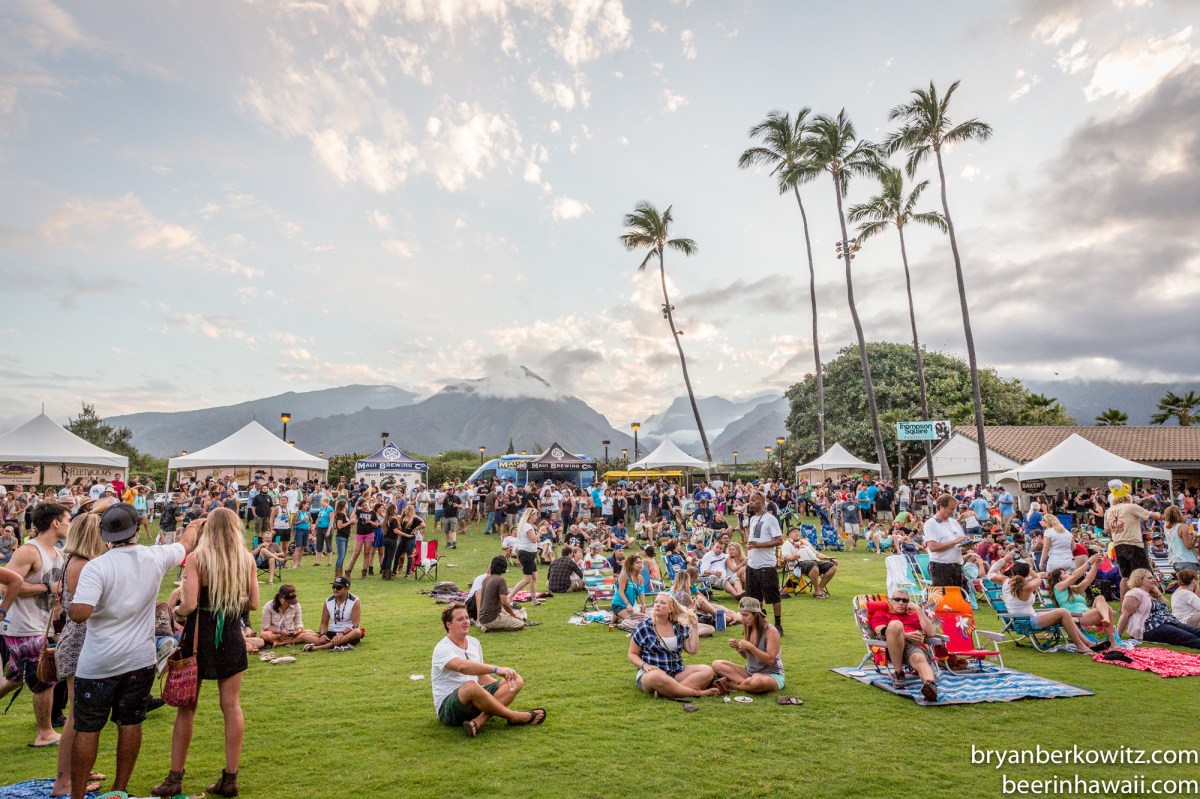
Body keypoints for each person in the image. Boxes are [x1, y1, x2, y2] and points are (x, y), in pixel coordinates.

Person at [67, 504, 200, 799]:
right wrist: (197, 522)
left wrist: (68, 601)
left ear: (105, 535)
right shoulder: (154, 555)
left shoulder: (97, 566)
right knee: (130, 723)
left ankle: (77, 796)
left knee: (88, 728)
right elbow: (187, 543)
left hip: (99, 661)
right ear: (137, 530)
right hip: (139, 659)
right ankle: (120, 789)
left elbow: (79, 613)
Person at [152, 507, 259, 798]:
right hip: (231, 636)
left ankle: (175, 778)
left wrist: (174, 610)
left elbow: (188, 606)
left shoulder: (198, 558)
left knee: (187, 707)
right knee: (232, 706)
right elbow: (253, 604)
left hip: (199, 636)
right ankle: (230, 778)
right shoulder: (246, 559)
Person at [49, 511, 109, 798]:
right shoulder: (83, 566)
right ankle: (64, 781)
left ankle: (77, 770)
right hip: (79, 642)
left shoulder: (73, 560)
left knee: (82, 713)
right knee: (77, 715)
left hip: (76, 639)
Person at [0, 501, 69, 748]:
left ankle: (45, 731)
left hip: (42, 624)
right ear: (56, 523)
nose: (69, 524)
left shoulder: (59, 553)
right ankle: (45, 733)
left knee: (15, 679)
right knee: (45, 678)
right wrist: (48, 587)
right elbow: (6, 586)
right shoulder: (29, 551)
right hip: (23, 625)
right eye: (68, 519)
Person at [431, 602, 545, 737]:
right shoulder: (442, 648)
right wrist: (496, 669)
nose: (466, 622)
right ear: (448, 624)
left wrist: (502, 687)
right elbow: (462, 667)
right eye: (460, 619)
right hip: (449, 709)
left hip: (474, 700)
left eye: (467, 618)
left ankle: (479, 720)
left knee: (515, 680)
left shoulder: (474, 643)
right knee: (470, 687)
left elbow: (482, 678)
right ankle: (514, 716)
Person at [987, 551, 1096, 654]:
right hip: (1027, 621)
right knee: (1063, 612)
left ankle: (1087, 643)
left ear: (1012, 572)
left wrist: (1005, 559)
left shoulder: (1006, 581)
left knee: (1064, 613)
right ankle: (1081, 645)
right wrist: (1029, 568)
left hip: (1022, 619)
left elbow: (991, 572)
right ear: (1027, 573)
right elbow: (1037, 577)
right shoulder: (1028, 586)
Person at [628, 592, 720, 699]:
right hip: (652, 673)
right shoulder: (644, 627)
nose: (657, 605)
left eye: (662, 603)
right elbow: (632, 654)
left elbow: (692, 650)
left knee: (707, 670)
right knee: (657, 676)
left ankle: (668, 691)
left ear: (670, 609)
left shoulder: (678, 627)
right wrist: (645, 666)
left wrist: (694, 625)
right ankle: (696, 693)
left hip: (675, 671)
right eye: (656, 602)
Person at [869, 589, 939, 701]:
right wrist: (905, 635)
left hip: (913, 646)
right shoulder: (881, 613)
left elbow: (931, 633)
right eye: (897, 599)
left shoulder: (914, 615)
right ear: (891, 601)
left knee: (919, 658)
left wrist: (918, 609)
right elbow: (880, 630)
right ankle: (898, 673)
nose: (901, 603)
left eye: (905, 600)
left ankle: (930, 685)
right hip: (891, 645)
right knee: (896, 625)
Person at [710, 597, 785, 694]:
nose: (742, 618)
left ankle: (735, 686)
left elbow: (770, 660)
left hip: (771, 675)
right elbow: (749, 657)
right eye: (741, 615)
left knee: (756, 681)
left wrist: (750, 647)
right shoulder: (749, 627)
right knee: (717, 664)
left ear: (756, 614)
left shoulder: (771, 631)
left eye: (746, 615)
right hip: (750, 672)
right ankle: (746, 684)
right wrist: (738, 648)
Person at [1118, 569, 1200, 649]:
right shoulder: (1135, 593)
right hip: (1149, 628)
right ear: (1139, 580)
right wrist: (1117, 636)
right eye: (1149, 578)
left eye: (1153, 577)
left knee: (1196, 631)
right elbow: (1125, 615)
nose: (1153, 580)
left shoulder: (1153, 594)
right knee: (1189, 637)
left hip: (1169, 622)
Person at [1047, 555, 1118, 647]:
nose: (1068, 573)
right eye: (1064, 573)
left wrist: (1096, 565)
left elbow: (1088, 580)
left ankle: (1106, 618)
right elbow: (1075, 576)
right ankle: (1112, 642)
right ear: (1059, 579)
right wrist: (1089, 562)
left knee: (1099, 597)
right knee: (1108, 609)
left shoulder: (1073, 589)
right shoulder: (1058, 587)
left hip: (1087, 614)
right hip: (1076, 616)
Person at [1106, 491, 1161, 597]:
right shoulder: (1131, 507)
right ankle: (1155, 601)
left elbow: (1107, 530)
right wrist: (1158, 512)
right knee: (1146, 574)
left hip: (1118, 545)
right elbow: (1155, 516)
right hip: (1133, 544)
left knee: (1126, 577)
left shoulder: (1108, 511)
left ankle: (1123, 604)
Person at [744, 493, 784, 635]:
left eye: (753, 500)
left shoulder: (770, 519)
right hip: (752, 564)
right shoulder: (753, 518)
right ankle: (758, 624)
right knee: (755, 598)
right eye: (750, 500)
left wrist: (760, 545)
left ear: (762, 501)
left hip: (766, 565)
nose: (751, 503)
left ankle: (778, 624)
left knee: (773, 597)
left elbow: (779, 540)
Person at [304, 575, 365, 651]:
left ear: (346, 589)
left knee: (357, 632)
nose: (335, 590)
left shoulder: (355, 601)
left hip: (347, 633)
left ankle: (320, 647)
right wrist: (323, 634)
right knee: (305, 636)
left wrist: (341, 634)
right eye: (333, 587)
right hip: (332, 633)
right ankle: (338, 644)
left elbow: (355, 624)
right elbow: (324, 623)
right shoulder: (328, 601)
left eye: (338, 588)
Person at [923, 494, 967, 589]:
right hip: (941, 567)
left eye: (954, 509)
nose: (953, 511)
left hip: (957, 565)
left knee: (960, 598)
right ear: (941, 507)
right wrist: (954, 541)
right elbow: (933, 547)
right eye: (951, 509)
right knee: (944, 599)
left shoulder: (954, 522)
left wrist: (967, 546)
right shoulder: (931, 524)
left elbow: (960, 544)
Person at [779, 528, 838, 599]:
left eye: (798, 531)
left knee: (832, 566)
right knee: (813, 565)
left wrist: (829, 558)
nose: (797, 533)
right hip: (800, 564)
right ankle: (817, 591)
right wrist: (792, 557)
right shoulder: (787, 543)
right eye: (794, 531)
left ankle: (820, 588)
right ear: (789, 534)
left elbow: (817, 554)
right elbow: (786, 557)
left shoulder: (805, 542)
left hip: (815, 561)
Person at [477, 556, 526, 632]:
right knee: (520, 623)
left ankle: (488, 626)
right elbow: (504, 602)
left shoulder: (486, 579)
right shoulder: (500, 580)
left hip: (483, 618)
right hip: (492, 619)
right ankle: (491, 629)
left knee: (509, 616)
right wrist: (514, 615)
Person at [507, 508, 543, 606]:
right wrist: (540, 532)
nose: (536, 517)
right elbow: (533, 539)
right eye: (535, 515)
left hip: (530, 554)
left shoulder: (527, 526)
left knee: (534, 577)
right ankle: (509, 597)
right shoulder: (527, 526)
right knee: (527, 579)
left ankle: (534, 600)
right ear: (530, 516)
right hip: (527, 554)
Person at [611, 551, 647, 622]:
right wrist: (628, 604)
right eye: (637, 563)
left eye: (641, 563)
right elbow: (621, 592)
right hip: (619, 604)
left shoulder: (640, 578)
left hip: (631, 606)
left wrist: (644, 605)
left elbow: (641, 593)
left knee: (645, 618)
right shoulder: (624, 575)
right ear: (631, 564)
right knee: (632, 621)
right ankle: (617, 614)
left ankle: (617, 616)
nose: (640, 565)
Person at [1163, 506, 1199, 574]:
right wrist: (1195, 537)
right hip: (1187, 560)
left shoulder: (1166, 527)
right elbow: (1189, 545)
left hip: (1175, 561)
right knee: (1193, 583)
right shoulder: (1183, 526)